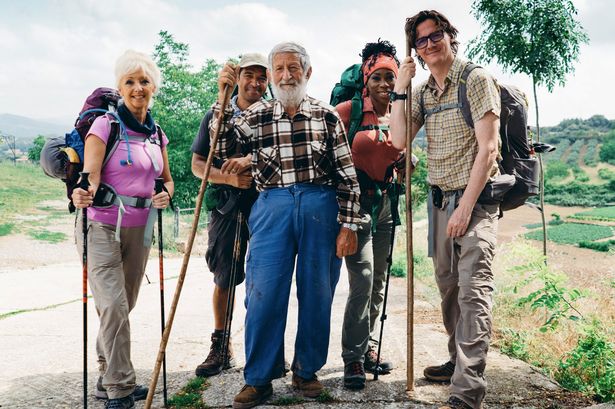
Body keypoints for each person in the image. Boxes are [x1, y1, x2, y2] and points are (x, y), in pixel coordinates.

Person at [211, 41, 361, 409]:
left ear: (308, 73)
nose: (285, 75)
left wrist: (349, 225)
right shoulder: (255, 115)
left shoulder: (327, 117)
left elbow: (347, 175)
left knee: (318, 293)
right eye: (278, 69)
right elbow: (220, 147)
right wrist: (223, 97)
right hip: (272, 207)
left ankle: (306, 372)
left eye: (293, 68)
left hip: (320, 206)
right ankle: (259, 378)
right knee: (261, 294)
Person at [390, 10, 501, 409]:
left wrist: (465, 208)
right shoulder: (421, 92)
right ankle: (458, 360)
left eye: (436, 35)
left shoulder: (475, 79)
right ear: (415, 52)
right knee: (450, 290)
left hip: (476, 201)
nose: (430, 43)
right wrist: (401, 89)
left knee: (474, 293)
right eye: (421, 41)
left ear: (451, 37)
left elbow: (488, 150)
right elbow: (399, 140)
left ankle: (467, 391)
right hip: (440, 204)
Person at [72, 50, 173, 409]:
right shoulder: (105, 126)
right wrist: (82, 191)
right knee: (113, 306)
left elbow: (166, 180)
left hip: (139, 228)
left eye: (144, 81)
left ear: (153, 87)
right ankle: (119, 387)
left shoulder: (156, 134)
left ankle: (106, 373)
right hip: (100, 226)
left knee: (123, 305)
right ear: (120, 87)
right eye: (130, 81)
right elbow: (91, 175)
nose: (138, 88)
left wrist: (163, 195)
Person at [191, 53, 267, 378]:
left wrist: (251, 163)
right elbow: (198, 165)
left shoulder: (274, 115)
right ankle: (220, 346)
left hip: (265, 206)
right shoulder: (215, 113)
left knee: (265, 279)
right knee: (224, 276)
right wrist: (229, 178)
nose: (255, 83)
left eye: (261, 78)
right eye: (248, 75)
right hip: (226, 205)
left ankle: (263, 350)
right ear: (237, 78)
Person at [335, 39, 404, 390]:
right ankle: (353, 359)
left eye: (389, 78)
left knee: (379, 282)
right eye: (377, 77)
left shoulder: (400, 113)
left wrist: (407, 164)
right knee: (362, 281)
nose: (384, 85)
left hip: (388, 205)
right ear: (366, 78)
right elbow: (329, 157)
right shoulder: (347, 112)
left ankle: (368, 345)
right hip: (355, 204)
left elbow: (402, 155)